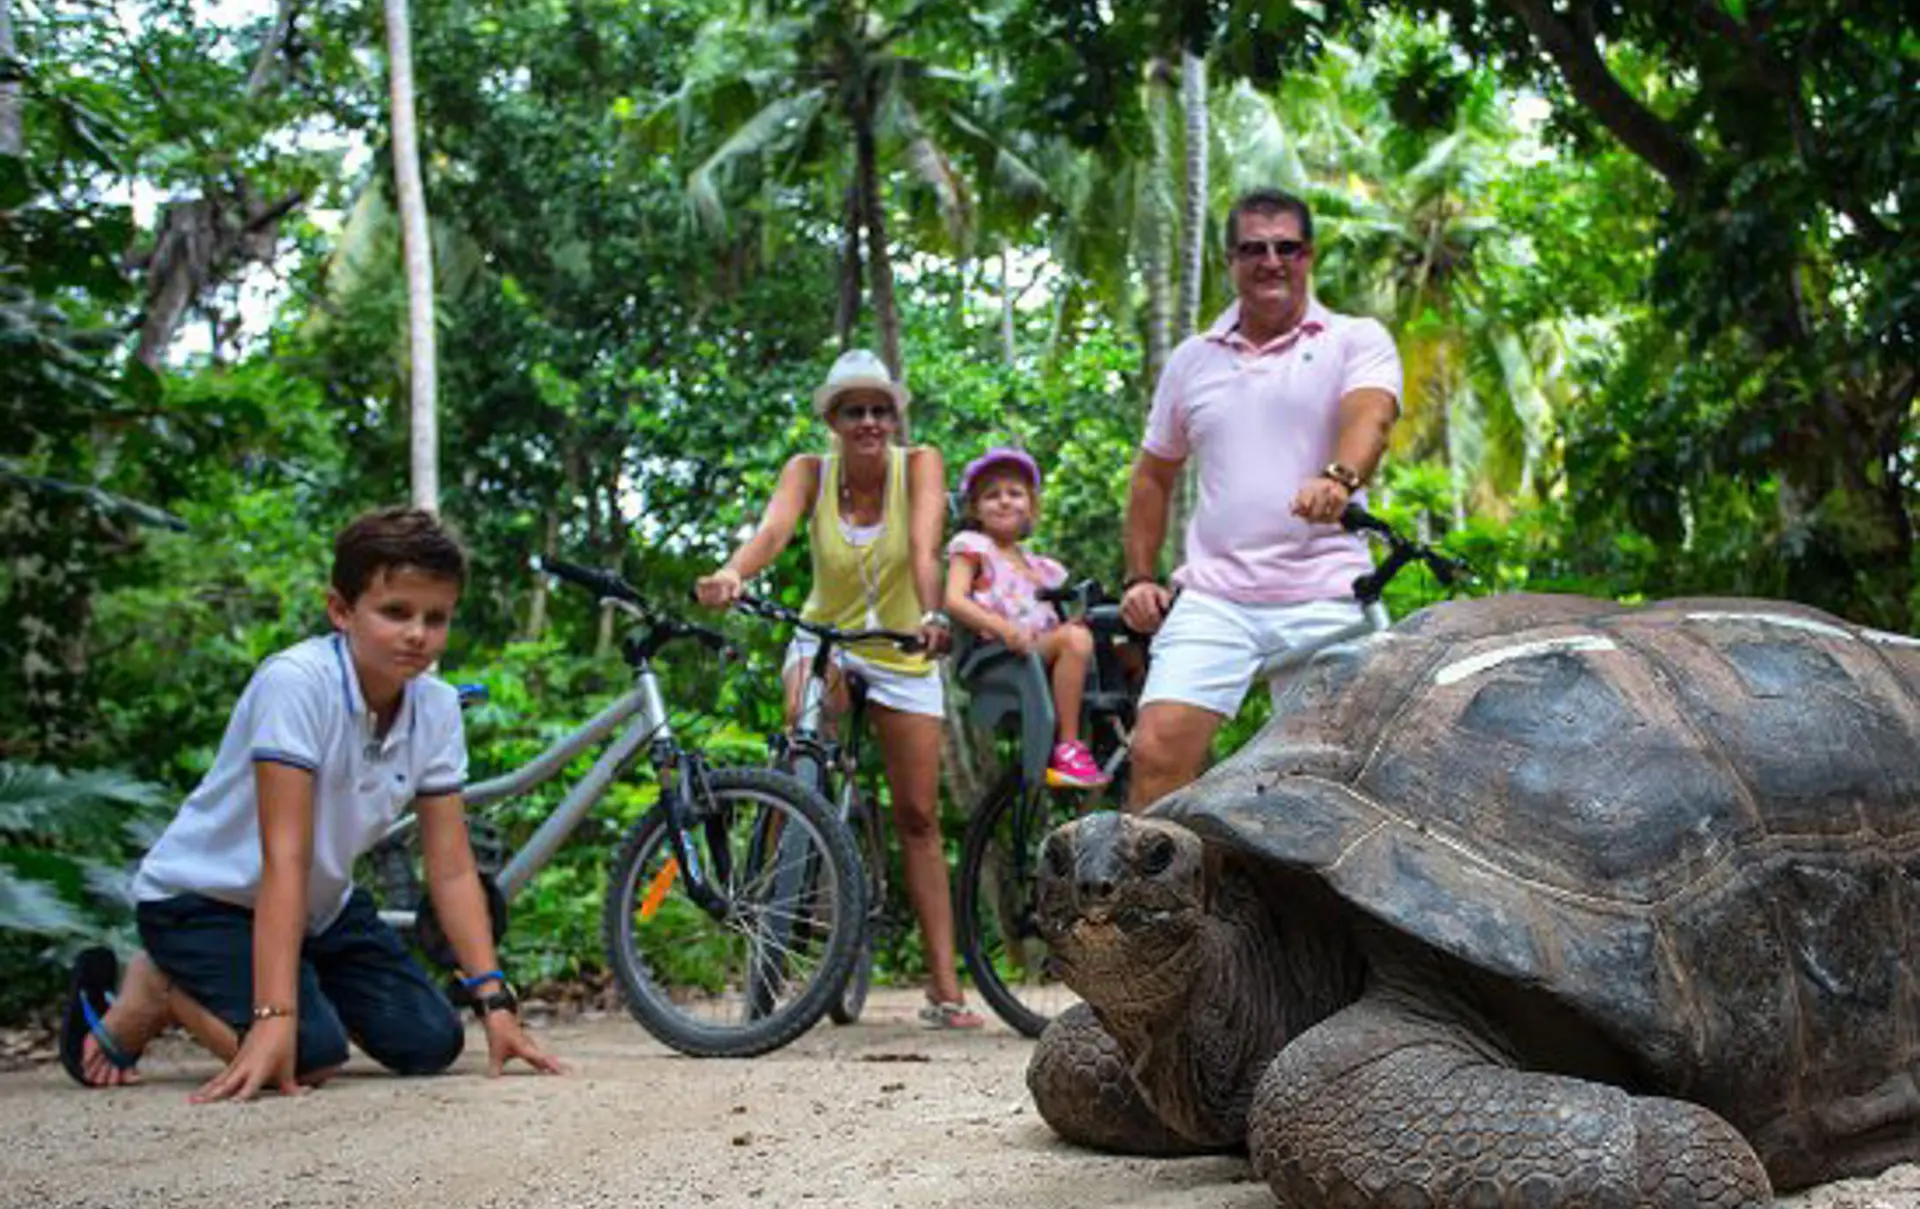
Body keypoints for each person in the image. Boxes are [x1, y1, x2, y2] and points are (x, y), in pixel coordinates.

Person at [60, 507, 563, 1100]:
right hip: (204, 902)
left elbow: (451, 869)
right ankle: (159, 987)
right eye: (395, 612)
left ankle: (289, 989)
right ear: (341, 610)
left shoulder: (437, 708)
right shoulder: (295, 684)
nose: (417, 634)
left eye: (436, 618)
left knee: (431, 1042)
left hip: (318, 909)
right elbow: (285, 857)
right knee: (307, 1054)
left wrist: (496, 1003)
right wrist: (275, 1017)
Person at [694, 349, 984, 1030]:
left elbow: (922, 548)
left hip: (904, 645)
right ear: (832, 419)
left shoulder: (921, 464)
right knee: (800, 747)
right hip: (825, 637)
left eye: (882, 409)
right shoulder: (808, 472)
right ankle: (790, 873)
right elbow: (772, 532)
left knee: (917, 815)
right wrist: (732, 572)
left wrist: (936, 615)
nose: (870, 422)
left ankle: (945, 986)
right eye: (855, 410)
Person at [1119, 187, 1402, 811]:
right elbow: (1151, 476)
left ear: (1309, 256)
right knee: (1157, 752)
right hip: (1217, 598)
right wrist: (1140, 576)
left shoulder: (1354, 338)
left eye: (1286, 247)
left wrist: (1338, 479)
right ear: (1231, 260)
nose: (1270, 260)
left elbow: (1371, 415)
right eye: (1253, 248)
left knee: (1334, 788)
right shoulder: (1193, 360)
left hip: (1328, 595)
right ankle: (1150, 909)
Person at [943, 446, 1106, 789]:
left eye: (1015, 494)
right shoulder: (972, 546)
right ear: (975, 508)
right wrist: (1002, 628)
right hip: (1001, 654)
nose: (1004, 501)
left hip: (1036, 649)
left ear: (1031, 506)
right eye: (992, 495)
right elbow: (954, 600)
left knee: (1108, 642)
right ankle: (1069, 746)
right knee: (1075, 640)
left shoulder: (1037, 566)